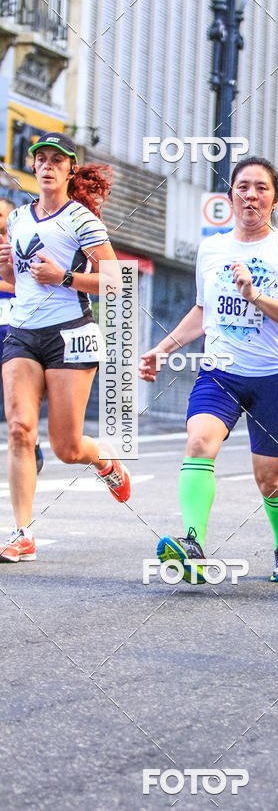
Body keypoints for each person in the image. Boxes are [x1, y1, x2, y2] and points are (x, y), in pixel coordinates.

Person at [139, 157, 278, 584]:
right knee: (198, 442)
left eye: (261, 188)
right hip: (220, 372)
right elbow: (204, 311)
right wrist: (162, 348)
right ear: (230, 196)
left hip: (274, 376)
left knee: (270, 479)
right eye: (243, 186)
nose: (251, 194)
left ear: (275, 199)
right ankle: (193, 545)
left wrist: (256, 296)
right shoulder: (212, 249)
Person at [0, 132, 131, 563]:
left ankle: (103, 460)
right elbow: (19, 281)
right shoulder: (18, 219)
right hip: (21, 333)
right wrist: (7, 268)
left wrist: (65, 277)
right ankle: (23, 532)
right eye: (41, 159)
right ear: (32, 166)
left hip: (69, 334)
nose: (48, 166)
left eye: (57, 160)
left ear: (70, 170)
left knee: (67, 447)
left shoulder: (81, 219)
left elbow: (116, 282)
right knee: (20, 430)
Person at [0, 197, 44, 474]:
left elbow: (31, 285)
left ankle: (31, 437)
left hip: (17, 330)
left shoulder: (21, 245)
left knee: (17, 399)